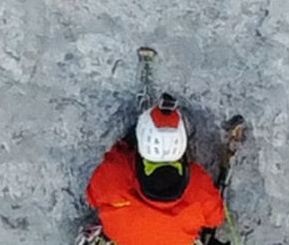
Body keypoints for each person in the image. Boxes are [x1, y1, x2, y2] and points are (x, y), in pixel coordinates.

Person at [84, 95, 228, 245]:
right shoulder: (198, 183)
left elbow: (92, 197)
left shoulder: (115, 172)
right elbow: (215, 218)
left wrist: (121, 151)